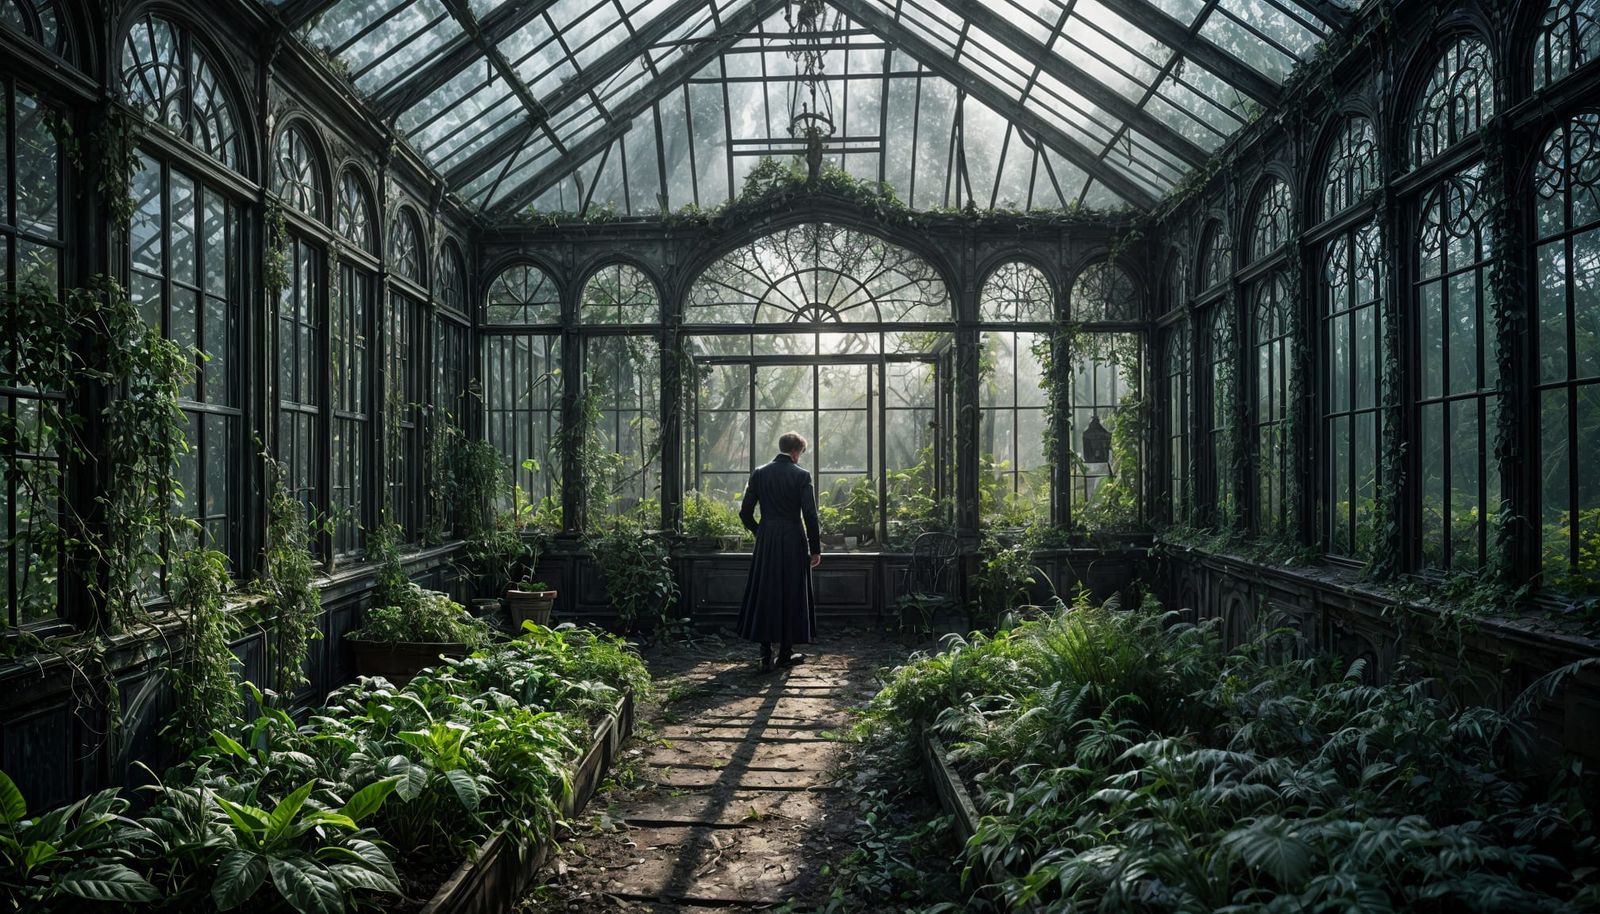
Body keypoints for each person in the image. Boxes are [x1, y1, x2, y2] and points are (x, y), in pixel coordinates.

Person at [735, 431, 822, 672]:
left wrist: (760, 531)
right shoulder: (801, 475)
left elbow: (744, 512)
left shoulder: (760, 473)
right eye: (801, 453)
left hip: (767, 540)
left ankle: (765, 655)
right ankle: (785, 654)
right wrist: (816, 549)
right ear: (796, 452)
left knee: (766, 591)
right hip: (793, 540)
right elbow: (810, 516)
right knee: (792, 593)